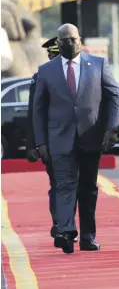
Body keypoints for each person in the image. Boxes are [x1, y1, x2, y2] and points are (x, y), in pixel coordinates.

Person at [32, 24, 119, 254]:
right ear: (58, 43)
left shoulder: (98, 64)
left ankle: (88, 237)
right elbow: (38, 110)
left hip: (91, 137)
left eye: (73, 39)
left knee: (88, 189)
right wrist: (40, 142)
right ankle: (67, 232)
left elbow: (113, 96)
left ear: (80, 40)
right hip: (59, 139)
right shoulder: (46, 71)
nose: (70, 43)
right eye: (65, 40)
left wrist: (112, 128)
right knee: (64, 185)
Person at [26, 37, 61, 240]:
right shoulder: (40, 76)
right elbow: (33, 112)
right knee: (57, 184)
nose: (51, 57)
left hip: (76, 141)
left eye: (54, 54)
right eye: (51, 55)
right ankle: (60, 223)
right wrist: (33, 145)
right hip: (50, 142)